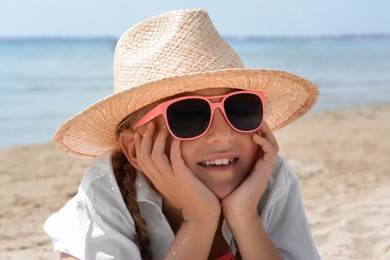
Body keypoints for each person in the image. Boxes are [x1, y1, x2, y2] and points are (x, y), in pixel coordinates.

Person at [44, 9, 320, 260]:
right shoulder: (106, 192)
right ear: (133, 147)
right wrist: (199, 219)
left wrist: (244, 215)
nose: (222, 135)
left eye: (240, 108)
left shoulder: (270, 177)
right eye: (189, 115)